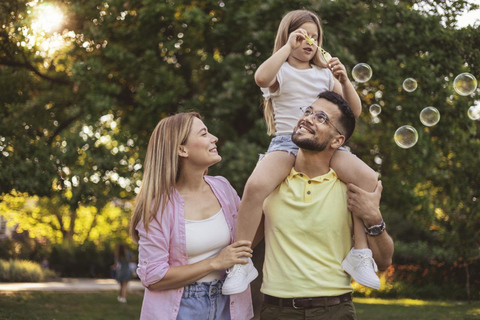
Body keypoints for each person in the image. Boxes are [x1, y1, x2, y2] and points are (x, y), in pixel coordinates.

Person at [223, 9, 380, 295]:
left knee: (367, 179)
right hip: (286, 142)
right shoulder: (280, 69)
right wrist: (287, 47)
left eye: (315, 37)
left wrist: (344, 80)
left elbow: (353, 114)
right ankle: (241, 261)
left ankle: (360, 253)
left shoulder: (324, 74)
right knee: (256, 185)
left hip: (327, 146)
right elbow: (260, 77)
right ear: (289, 37)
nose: (309, 42)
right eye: (303, 36)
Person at [260, 91, 394, 319]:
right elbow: (244, 242)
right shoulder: (271, 182)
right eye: (309, 111)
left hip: (334, 310)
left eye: (321, 118)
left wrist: (374, 217)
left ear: (337, 140)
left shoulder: (350, 189)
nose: (308, 118)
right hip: (277, 311)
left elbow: (383, 261)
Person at [130, 112, 254, 320]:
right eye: (204, 133)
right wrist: (215, 262)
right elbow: (153, 277)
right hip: (182, 309)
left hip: (229, 302)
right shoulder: (157, 207)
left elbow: (248, 231)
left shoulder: (222, 187)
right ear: (182, 149)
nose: (214, 138)